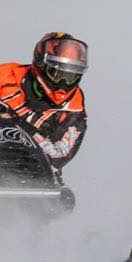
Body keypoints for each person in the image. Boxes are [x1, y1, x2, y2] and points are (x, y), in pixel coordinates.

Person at [0, 32, 88, 171]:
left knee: (64, 192)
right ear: (41, 64)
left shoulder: (73, 111)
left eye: (70, 76)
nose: (63, 82)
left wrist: (14, 121)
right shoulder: (5, 76)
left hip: (32, 173)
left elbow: (59, 156)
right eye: (57, 73)